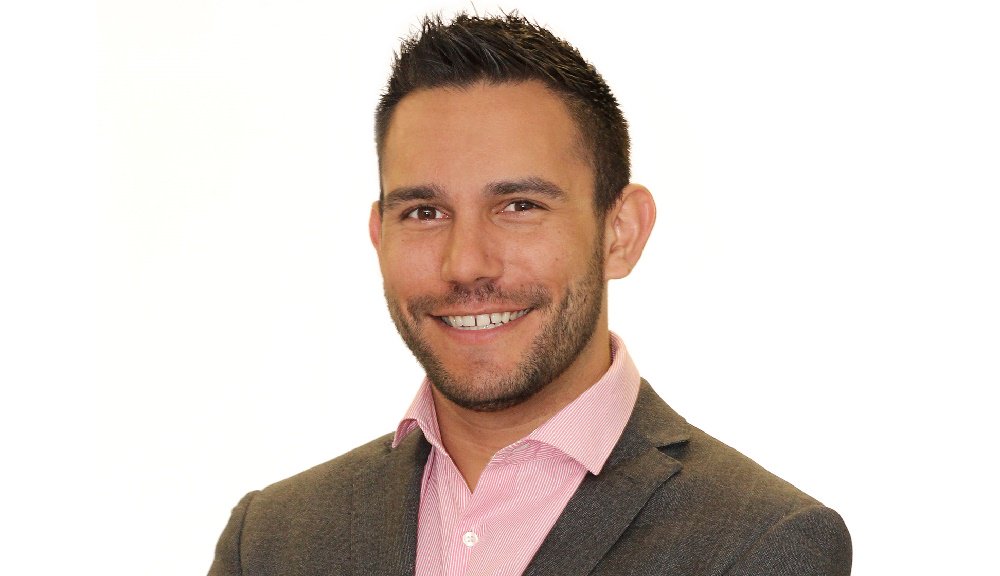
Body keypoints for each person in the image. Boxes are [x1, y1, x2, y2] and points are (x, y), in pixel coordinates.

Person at [208, 12, 851, 576]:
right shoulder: (270, 542)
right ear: (379, 236)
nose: (466, 264)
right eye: (424, 213)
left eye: (519, 205)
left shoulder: (758, 544)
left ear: (620, 232)